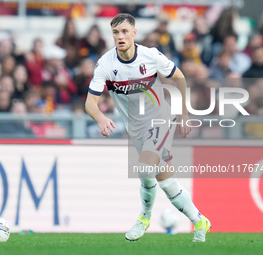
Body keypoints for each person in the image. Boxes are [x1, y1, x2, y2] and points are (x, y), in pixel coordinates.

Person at [85, 13, 211, 242]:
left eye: (124, 31)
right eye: (116, 32)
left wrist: (184, 114)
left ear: (134, 33)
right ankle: (199, 221)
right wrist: (101, 118)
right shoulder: (105, 63)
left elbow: (180, 78)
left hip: (159, 120)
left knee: (144, 169)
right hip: (135, 128)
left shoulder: (150, 56)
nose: (120, 36)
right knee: (165, 181)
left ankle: (143, 219)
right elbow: (89, 102)